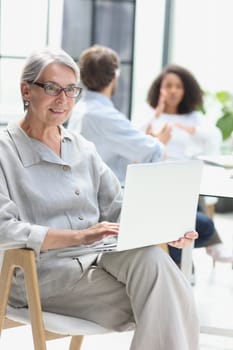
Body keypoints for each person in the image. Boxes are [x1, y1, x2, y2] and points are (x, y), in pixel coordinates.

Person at [0, 48, 200, 350]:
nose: (63, 100)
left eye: (70, 90)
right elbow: (5, 229)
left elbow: (117, 208)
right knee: (171, 296)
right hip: (42, 275)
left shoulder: (82, 147)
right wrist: (78, 236)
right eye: (52, 88)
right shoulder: (5, 151)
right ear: (26, 90)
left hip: (98, 259)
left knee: (153, 261)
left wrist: (165, 229)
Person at [68, 45, 216, 270]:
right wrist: (159, 140)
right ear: (115, 75)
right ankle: (172, 260)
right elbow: (153, 152)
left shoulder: (81, 110)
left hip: (94, 198)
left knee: (188, 203)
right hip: (114, 205)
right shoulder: (106, 115)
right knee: (203, 226)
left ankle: (175, 260)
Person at [133, 64, 233, 264]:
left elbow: (214, 138)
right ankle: (211, 247)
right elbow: (134, 139)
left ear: (185, 90)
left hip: (184, 176)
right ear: (159, 89)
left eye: (178, 86)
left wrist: (191, 129)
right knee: (188, 198)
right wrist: (157, 113)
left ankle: (186, 262)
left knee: (191, 183)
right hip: (157, 177)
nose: (173, 91)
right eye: (168, 86)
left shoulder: (193, 117)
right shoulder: (148, 113)